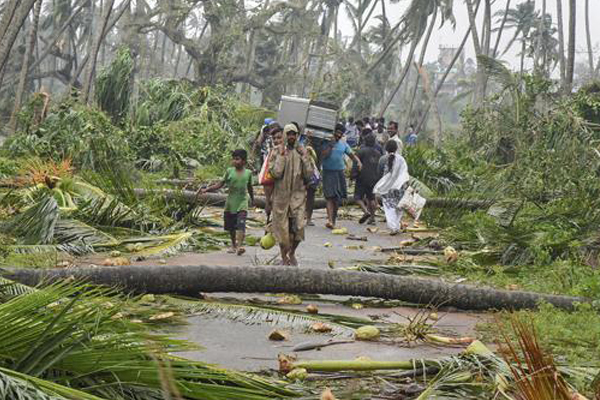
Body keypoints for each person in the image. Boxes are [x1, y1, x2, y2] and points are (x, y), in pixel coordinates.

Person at [269, 124, 313, 266]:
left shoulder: (303, 151)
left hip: (298, 198)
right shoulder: (276, 151)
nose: (291, 137)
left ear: (297, 135)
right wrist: (281, 156)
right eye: (288, 134)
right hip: (281, 198)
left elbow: (309, 175)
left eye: (294, 134)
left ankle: (292, 252)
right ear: (284, 135)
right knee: (283, 232)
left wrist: (305, 157)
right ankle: (284, 257)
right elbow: (275, 173)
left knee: (299, 229)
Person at [199, 149, 254, 255]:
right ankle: (233, 244)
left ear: (244, 161)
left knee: (241, 224)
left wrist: (252, 199)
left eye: (237, 159)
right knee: (231, 227)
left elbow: (250, 187)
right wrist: (207, 189)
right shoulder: (229, 171)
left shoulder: (248, 173)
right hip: (230, 203)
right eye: (233, 159)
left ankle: (239, 246)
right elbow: (220, 184)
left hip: (242, 202)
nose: (234, 161)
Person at [322, 123, 362, 229]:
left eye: (341, 133)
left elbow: (351, 154)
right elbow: (324, 155)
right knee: (329, 197)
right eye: (337, 132)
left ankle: (333, 220)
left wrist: (358, 162)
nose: (339, 135)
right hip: (328, 172)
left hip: (340, 173)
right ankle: (330, 220)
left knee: (337, 198)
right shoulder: (326, 142)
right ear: (333, 132)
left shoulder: (343, 144)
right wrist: (331, 144)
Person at [374, 140, 409, 235]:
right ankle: (396, 226)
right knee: (399, 207)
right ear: (396, 148)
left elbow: (379, 174)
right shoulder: (401, 159)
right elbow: (405, 173)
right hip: (399, 187)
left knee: (389, 208)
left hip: (387, 188)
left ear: (386, 149)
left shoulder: (382, 159)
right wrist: (406, 186)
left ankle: (393, 227)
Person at [354, 134, 382, 225]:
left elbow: (356, 164)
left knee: (357, 197)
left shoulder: (361, 152)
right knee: (371, 198)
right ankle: (372, 218)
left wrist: (353, 175)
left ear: (365, 141)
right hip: (374, 179)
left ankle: (366, 211)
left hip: (362, 178)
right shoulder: (378, 153)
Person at [262, 125, 283, 221]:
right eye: (274, 138)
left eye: (279, 138)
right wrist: (267, 201)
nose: (276, 141)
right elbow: (267, 180)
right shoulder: (271, 154)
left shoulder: (291, 153)